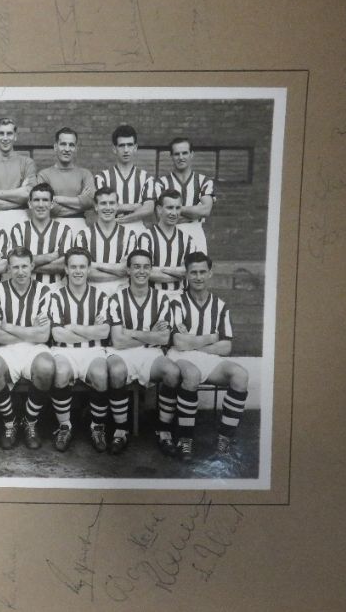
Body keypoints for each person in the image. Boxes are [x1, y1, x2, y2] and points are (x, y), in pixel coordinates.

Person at [168, 252, 249, 461]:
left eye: (202, 272)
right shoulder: (176, 302)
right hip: (180, 356)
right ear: (186, 275)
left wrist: (195, 344)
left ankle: (224, 437)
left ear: (210, 273)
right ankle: (185, 439)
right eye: (193, 272)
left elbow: (226, 346)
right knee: (192, 374)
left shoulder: (220, 306)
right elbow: (179, 343)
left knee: (240, 375)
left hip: (208, 358)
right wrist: (211, 338)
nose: (198, 277)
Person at [105, 249, 181, 455]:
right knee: (116, 371)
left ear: (151, 270)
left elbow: (163, 338)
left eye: (146, 267)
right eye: (136, 266)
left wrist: (131, 332)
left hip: (151, 354)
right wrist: (149, 333)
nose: (141, 271)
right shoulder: (116, 299)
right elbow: (118, 341)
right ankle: (121, 430)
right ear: (128, 270)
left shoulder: (162, 299)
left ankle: (164, 431)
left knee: (172, 372)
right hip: (122, 353)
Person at [0, 247, 56, 450]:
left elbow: (43, 336)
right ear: (8, 268)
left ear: (32, 266)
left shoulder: (44, 291)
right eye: (15, 267)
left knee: (47, 366)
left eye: (24, 266)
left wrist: (8, 326)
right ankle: (10, 422)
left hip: (35, 348)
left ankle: (30, 422)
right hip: (5, 348)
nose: (20, 271)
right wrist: (30, 330)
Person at [48, 247, 110, 452]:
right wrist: (91, 330)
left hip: (94, 351)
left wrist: (73, 327)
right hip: (63, 350)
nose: (78, 271)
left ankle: (97, 427)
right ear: (66, 269)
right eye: (73, 267)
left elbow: (104, 332)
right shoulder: (56, 297)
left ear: (89, 269)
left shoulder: (101, 296)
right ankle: (64, 426)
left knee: (101, 374)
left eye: (82, 267)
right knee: (61, 372)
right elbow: (58, 335)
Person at [150, 138, 216, 253]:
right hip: (169, 233)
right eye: (177, 154)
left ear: (191, 154)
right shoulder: (161, 183)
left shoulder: (203, 181)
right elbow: (160, 216)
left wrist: (172, 209)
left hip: (195, 232)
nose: (181, 157)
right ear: (171, 156)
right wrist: (195, 213)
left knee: (197, 264)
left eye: (184, 153)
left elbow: (206, 210)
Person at [93, 125, 158, 234]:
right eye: (122, 145)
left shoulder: (146, 178)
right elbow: (101, 207)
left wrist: (125, 218)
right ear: (114, 149)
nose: (126, 150)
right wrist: (134, 206)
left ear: (135, 147)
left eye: (129, 145)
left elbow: (148, 208)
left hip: (137, 229)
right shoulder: (102, 177)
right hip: (110, 230)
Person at [75, 187, 138, 297]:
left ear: (117, 206)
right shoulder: (83, 235)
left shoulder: (130, 235)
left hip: (122, 293)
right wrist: (118, 270)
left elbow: (128, 270)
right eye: (103, 203)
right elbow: (82, 271)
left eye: (112, 203)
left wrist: (94, 265)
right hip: (91, 294)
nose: (108, 208)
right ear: (96, 206)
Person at [9, 182, 72, 287]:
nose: (41, 205)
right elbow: (16, 262)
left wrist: (27, 265)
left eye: (45, 200)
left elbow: (63, 265)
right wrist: (49, 257)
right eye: (36, 200)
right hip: (26, 289)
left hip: (55, 289)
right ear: (30, 204)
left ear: (52, 204)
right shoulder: (18, 229)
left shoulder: (65, 230)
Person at [137, 189, 196, 298]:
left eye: (177, 208)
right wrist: (179, 273)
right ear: (159, 209)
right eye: (169, 207)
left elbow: (191, 272)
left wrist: (160, 270)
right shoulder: (146, 237)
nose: (174, 213)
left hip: (180, 297)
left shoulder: (188, 240)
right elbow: (144, 272)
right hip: (152, 298)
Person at [36, 127, 95, 218]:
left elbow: (91, 202)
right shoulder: (44, 175)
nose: (67, 149)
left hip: (79, 224)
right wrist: (81, 204)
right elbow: (47, 206)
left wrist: (59, 199)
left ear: (76, 148)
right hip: (53, 224)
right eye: (63, 144)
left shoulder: (85, 174)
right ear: (55, 147)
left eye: (71, 145)